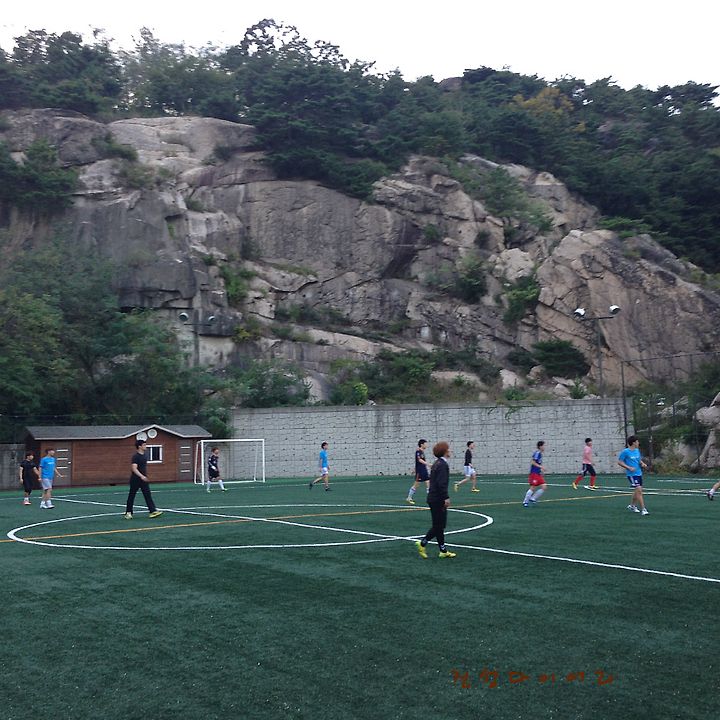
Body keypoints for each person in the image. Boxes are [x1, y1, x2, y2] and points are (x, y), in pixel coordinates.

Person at [415, 441, 457, 559]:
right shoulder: (442, 465)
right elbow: (441, 483)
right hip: (437, 499)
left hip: (433, 498)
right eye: (448, 449)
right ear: (444, 451)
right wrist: (446, 497)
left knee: (439, 526)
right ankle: (422, 543)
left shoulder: (437, 463)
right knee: (438, 526)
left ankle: (442, 550)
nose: (450, 451)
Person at [124, 440, 163, 519]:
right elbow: (134, 468)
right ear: (139, 446)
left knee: (147, 494)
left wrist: (144, 477)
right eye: (144, 445)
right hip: (135, 479)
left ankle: (152, 511)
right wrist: (141, 476)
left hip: (143, 480)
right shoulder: (136, 456)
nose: (145, 446)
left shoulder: (145, 456)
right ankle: (128, 513)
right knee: (132, 495)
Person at [618, 435, 649, 515]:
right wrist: (628, 467)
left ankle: (632, 505)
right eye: (637, 441)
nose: (638, 443)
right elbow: (620, 462)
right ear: (633, 443)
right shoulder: (625, 452)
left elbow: (639, 460)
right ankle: (643, 509)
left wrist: (642, 464)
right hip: (632, 475)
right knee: (639, 490)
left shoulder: (637, 451)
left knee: (637, 491)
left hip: (639, 473)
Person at [523, 440, 547, 507]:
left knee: (544, 487)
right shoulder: (537, 453)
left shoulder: (540, 454)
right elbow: (533, 462)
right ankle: (525, 501)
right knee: (532, 487)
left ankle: (533, 498)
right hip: (534, 474)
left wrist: (541, 470)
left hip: (538, 474)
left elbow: (538, 463)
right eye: (544, 446)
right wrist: (541, 467)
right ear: (540, 446)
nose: (544, 447)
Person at [406, 439, 430, 504]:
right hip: (420, 471)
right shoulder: (418, 451)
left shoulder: (422, 452)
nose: (426, 445)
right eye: (425, 444)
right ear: (422, 445)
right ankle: (409, 497)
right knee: (416, 484)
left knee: (428, 482)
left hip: (424, 470)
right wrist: (428, 464)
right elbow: (419, 460)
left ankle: (430, 498)